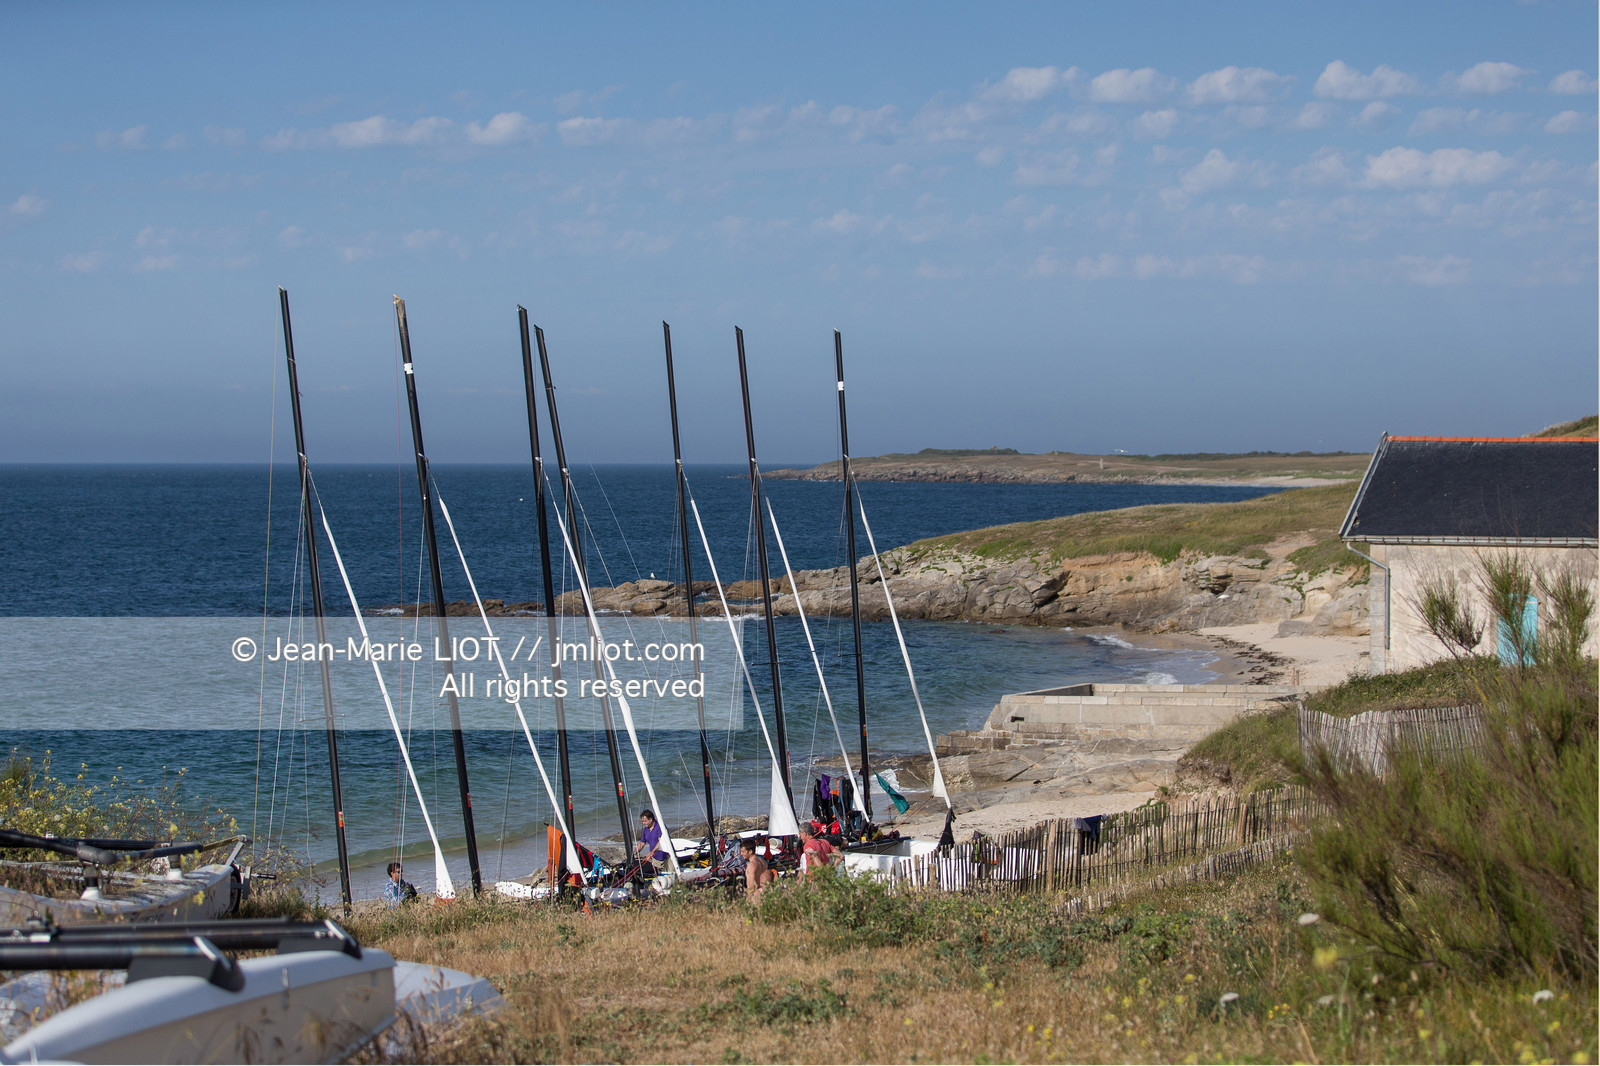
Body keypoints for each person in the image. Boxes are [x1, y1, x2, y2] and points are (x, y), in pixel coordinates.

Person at [634, 809, 668, 875]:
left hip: (662, 856)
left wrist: (652, 853)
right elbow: (642, 843)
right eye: (642, 821)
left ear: (651, 819)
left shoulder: (659, 826)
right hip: (653, 857)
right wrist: (635, 852)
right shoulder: (646, 829)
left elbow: (660, 841)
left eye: (645, 821)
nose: (643, 823)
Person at [741, 837, 772, 902]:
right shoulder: (763, 861)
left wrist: (748, 900)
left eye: (743, 851)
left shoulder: (751, 865)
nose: (741, 854)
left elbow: (751, 886)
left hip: (755, 897)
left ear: (750, 851)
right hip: (764, 895)